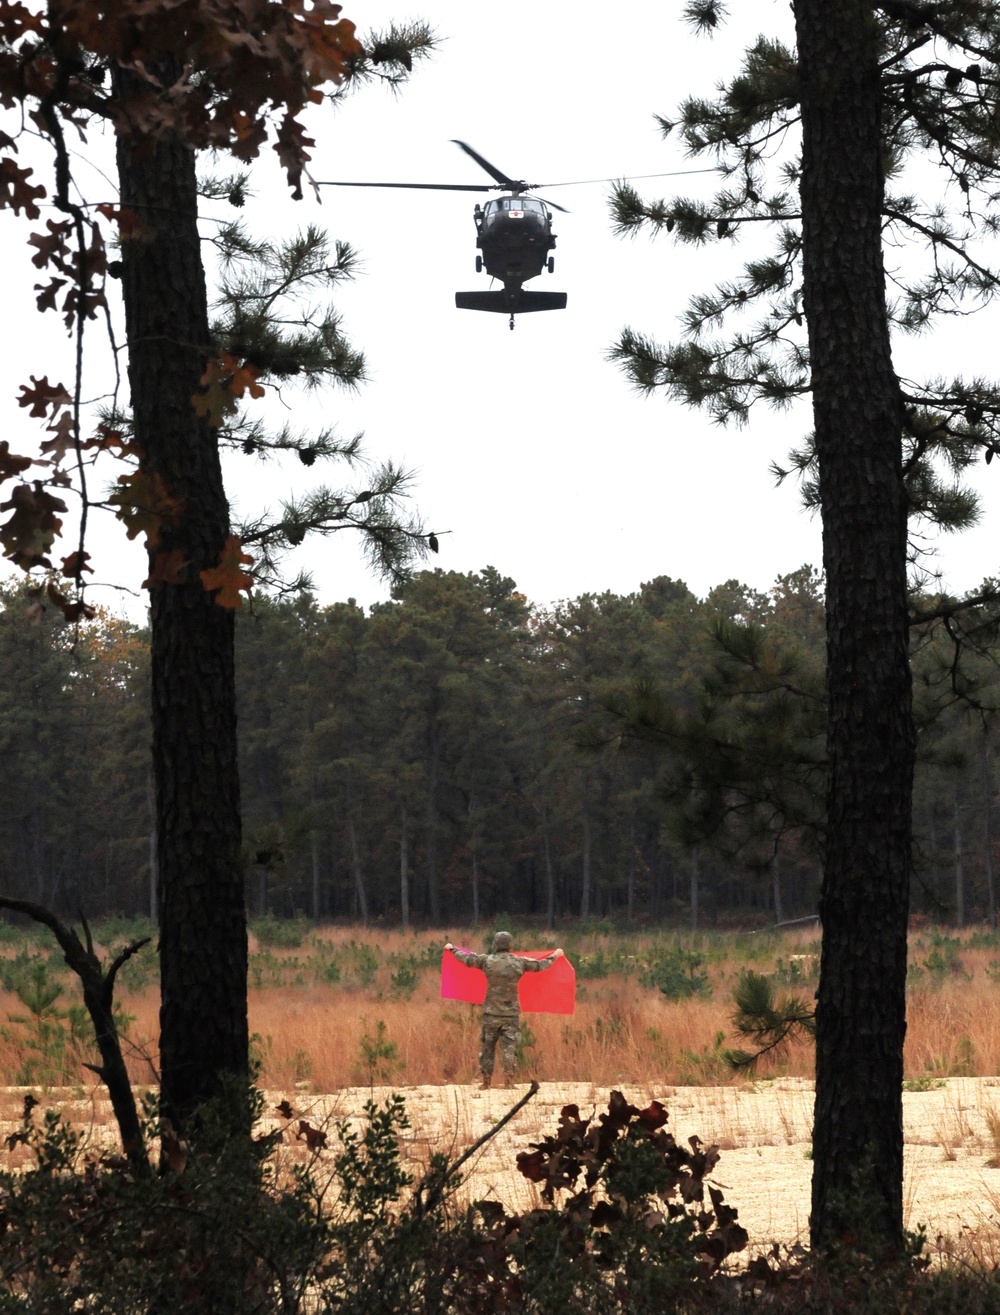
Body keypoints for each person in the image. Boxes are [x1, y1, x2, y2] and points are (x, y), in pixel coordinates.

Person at [444, 931, 564, 1089]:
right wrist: (556, 955)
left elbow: (467, 959)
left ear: (495, 944)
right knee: (509, 1049)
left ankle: (486, 1083)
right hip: (510, 1015)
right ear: (510, 945)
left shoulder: (486, 961)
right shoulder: (519, 962)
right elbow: (540, 965)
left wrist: (452, 949)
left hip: (491, 1014)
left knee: (487, 1049)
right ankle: (509, 1082)